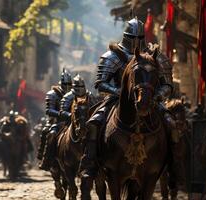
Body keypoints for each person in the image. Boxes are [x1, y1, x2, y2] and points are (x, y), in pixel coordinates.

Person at [79, 17, 175, 179]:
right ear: (126, 36)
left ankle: (172, 166)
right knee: (94, 123)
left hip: (150, 100)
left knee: (171, 125)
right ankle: (90, 162)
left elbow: (168, 85)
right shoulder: (113, 56)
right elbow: (101, 83)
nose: (136, 41)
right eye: (133, 38)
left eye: (139, 38)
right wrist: (119, 92)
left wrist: (158, 95)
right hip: (117, 99)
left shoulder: (156, 57)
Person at [39, 69, 72, 170]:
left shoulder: (74, 94)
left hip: (72, 121)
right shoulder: (53, 94)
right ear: (61, 83)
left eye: (69, 83)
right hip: (57, 121)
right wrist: (62, 114)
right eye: (65, 83)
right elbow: (49, 110)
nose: (67, 85)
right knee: (50, 133)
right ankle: (46, 159)